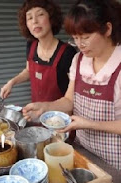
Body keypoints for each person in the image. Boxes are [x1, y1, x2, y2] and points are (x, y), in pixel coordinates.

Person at [22, 0, 121, 170]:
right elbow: (69, 100)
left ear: (107, 29)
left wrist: (89, 124)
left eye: (86, 37)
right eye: (75, 38)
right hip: (82, 152)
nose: (80, 44)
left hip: (114, 162)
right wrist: (46, 107)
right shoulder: (79, 59)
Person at [0, 0, 76, 102]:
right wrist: (11, 82)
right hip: (36, 112)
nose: (34, 21)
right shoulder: (31, 45)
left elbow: (75, 90)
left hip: (61, 115)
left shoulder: (67, 52)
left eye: (40, 14)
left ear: (51, 18)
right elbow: (28, 70)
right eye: (30, 18)